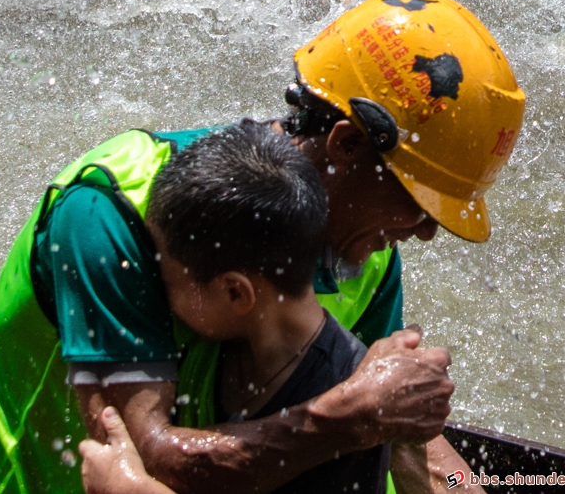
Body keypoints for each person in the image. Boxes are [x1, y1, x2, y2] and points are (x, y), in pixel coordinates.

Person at [0, 0, 524, 494]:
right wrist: (352, 417)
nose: (427, 231)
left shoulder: (367, 255)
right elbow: (146, 464)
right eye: (420, 201)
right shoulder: (113, 214)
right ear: (344, 144)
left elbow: (388, 418)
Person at [145, 122, 390, 494]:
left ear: (235, 294)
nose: (160, 295)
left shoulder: (346, 397)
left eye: (168, 281)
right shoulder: (224, 343)